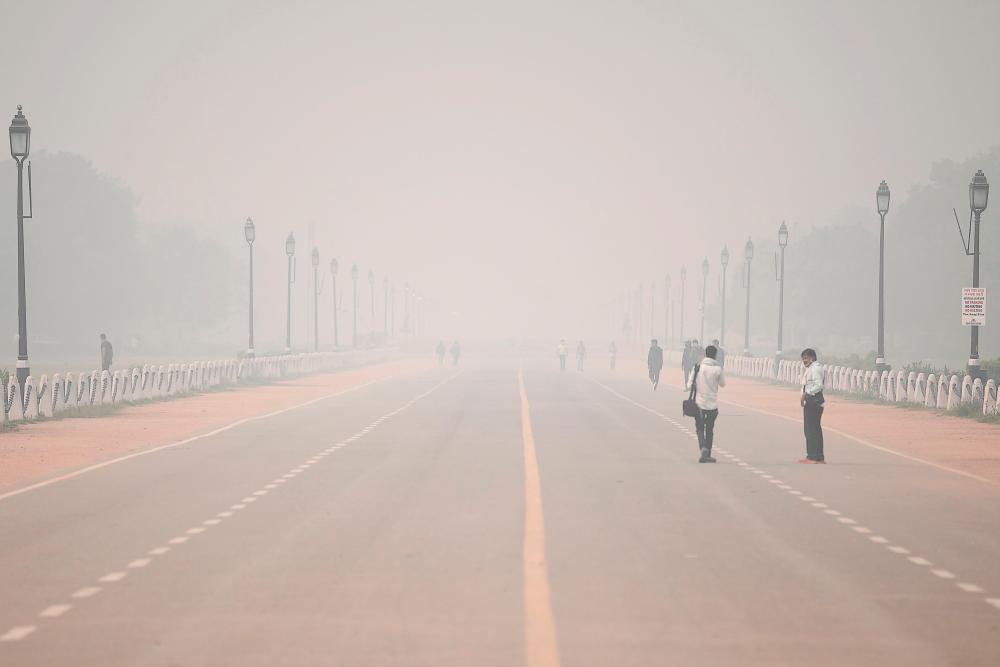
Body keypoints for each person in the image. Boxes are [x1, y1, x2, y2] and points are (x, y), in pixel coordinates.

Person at [686, 344, 725, 463]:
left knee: (699, 427)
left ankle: (703, 447)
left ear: (705, 354)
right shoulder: (718, 369)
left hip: (699, 404)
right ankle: (708, 452)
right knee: (709, 429)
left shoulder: (698, 368)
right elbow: (722, 384)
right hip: (712, 405)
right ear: (715, 356)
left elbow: (689, 385)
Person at [799, 348, 827, 463]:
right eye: (803, 359)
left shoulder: (815, 369)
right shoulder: (814, 368)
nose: (804, 361)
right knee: (815, 429)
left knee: (810, 430)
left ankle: (812, 456)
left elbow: (819, 385)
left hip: (813, 401)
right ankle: (819, 457)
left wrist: (806, 394)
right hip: (814, 401)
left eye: (805, 358)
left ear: (812, 358)